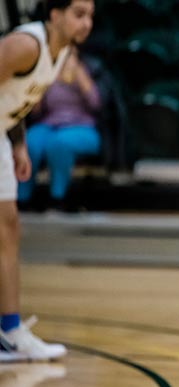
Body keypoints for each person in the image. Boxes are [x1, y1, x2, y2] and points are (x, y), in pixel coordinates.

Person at [0, 0, 94, 362]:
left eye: (90, 16)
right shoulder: (27, 45)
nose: (86, 23)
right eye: (78, 14)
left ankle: (9, 331)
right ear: (54, 15)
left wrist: (18, 144)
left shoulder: (61, 53)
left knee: (8, 227)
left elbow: (12, 100)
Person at [18, 46, 101, 211]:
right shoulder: (49, 74)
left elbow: (96, 104)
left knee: (59, 144)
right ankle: (21, 198)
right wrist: (41, 84)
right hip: (50, 123)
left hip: (80, 125)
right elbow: (34, 111)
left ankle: (57, 197)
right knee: (31, 142)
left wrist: (80, 76)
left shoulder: (86, 70)